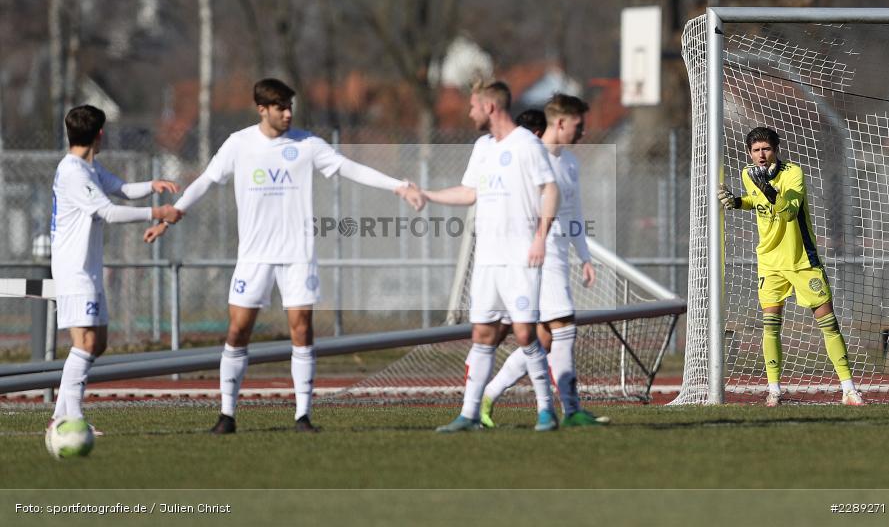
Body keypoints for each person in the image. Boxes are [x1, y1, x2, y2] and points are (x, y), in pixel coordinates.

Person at [144, 78, 424, 434]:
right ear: (263, 109)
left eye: (291, 107)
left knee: (302, 330)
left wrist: (398, 185)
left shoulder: (307, 144)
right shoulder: (239, 144)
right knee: (238, 329)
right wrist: (175, 213)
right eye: (281, 108)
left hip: (297, 255)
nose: (289, 114)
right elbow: (206, 180)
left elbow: (349, 168)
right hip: (254, 256)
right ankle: (226, 415)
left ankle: (302, 416)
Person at [424, 80, 561, 432]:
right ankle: (469, 414)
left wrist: (540, 238)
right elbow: (469, 193)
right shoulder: (482, 147)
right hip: (487, 260)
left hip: (520, 260)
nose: (469, 112)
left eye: (472, 106)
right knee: (482, 334)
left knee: (525, 334)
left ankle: (546, 410)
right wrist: (427, 195)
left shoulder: (527, 144)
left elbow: (550, 190)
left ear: (489, 107)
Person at [49, 105, 182, 431]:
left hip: (88, 268)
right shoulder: (74, 174)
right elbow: (108, 212)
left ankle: (59, 416)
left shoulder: (88, 167)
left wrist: (151, 185)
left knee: (98, 342)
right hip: (73, 270)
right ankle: (71, 420)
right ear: (100, 135)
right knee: (85, 343)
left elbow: (120, 188)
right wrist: (157, 213)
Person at [480, 94, 606, 428]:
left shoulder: (570, 162)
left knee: (545, 339)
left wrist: (585, 257)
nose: (583, 133)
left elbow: (573, 213)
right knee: (564, 328)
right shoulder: (529, 154)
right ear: (561, 122)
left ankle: (487, 396)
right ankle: (572, 409)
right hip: (537, 255)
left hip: (558, 256)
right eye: (578, 125)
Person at [718, 126, 864, 406]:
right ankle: (774, 390)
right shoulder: (748, 174)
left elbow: (789, 212)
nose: (762, 155)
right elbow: (757, 201)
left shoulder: (793, 173)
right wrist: (738, 202)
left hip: (802, 261)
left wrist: (769, 190)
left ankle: (848, 389)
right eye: (756, 150)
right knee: (770, 326)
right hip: (770, 263)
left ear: (776, 150)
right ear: (749, 152)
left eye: (767, 149)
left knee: (829, 324)